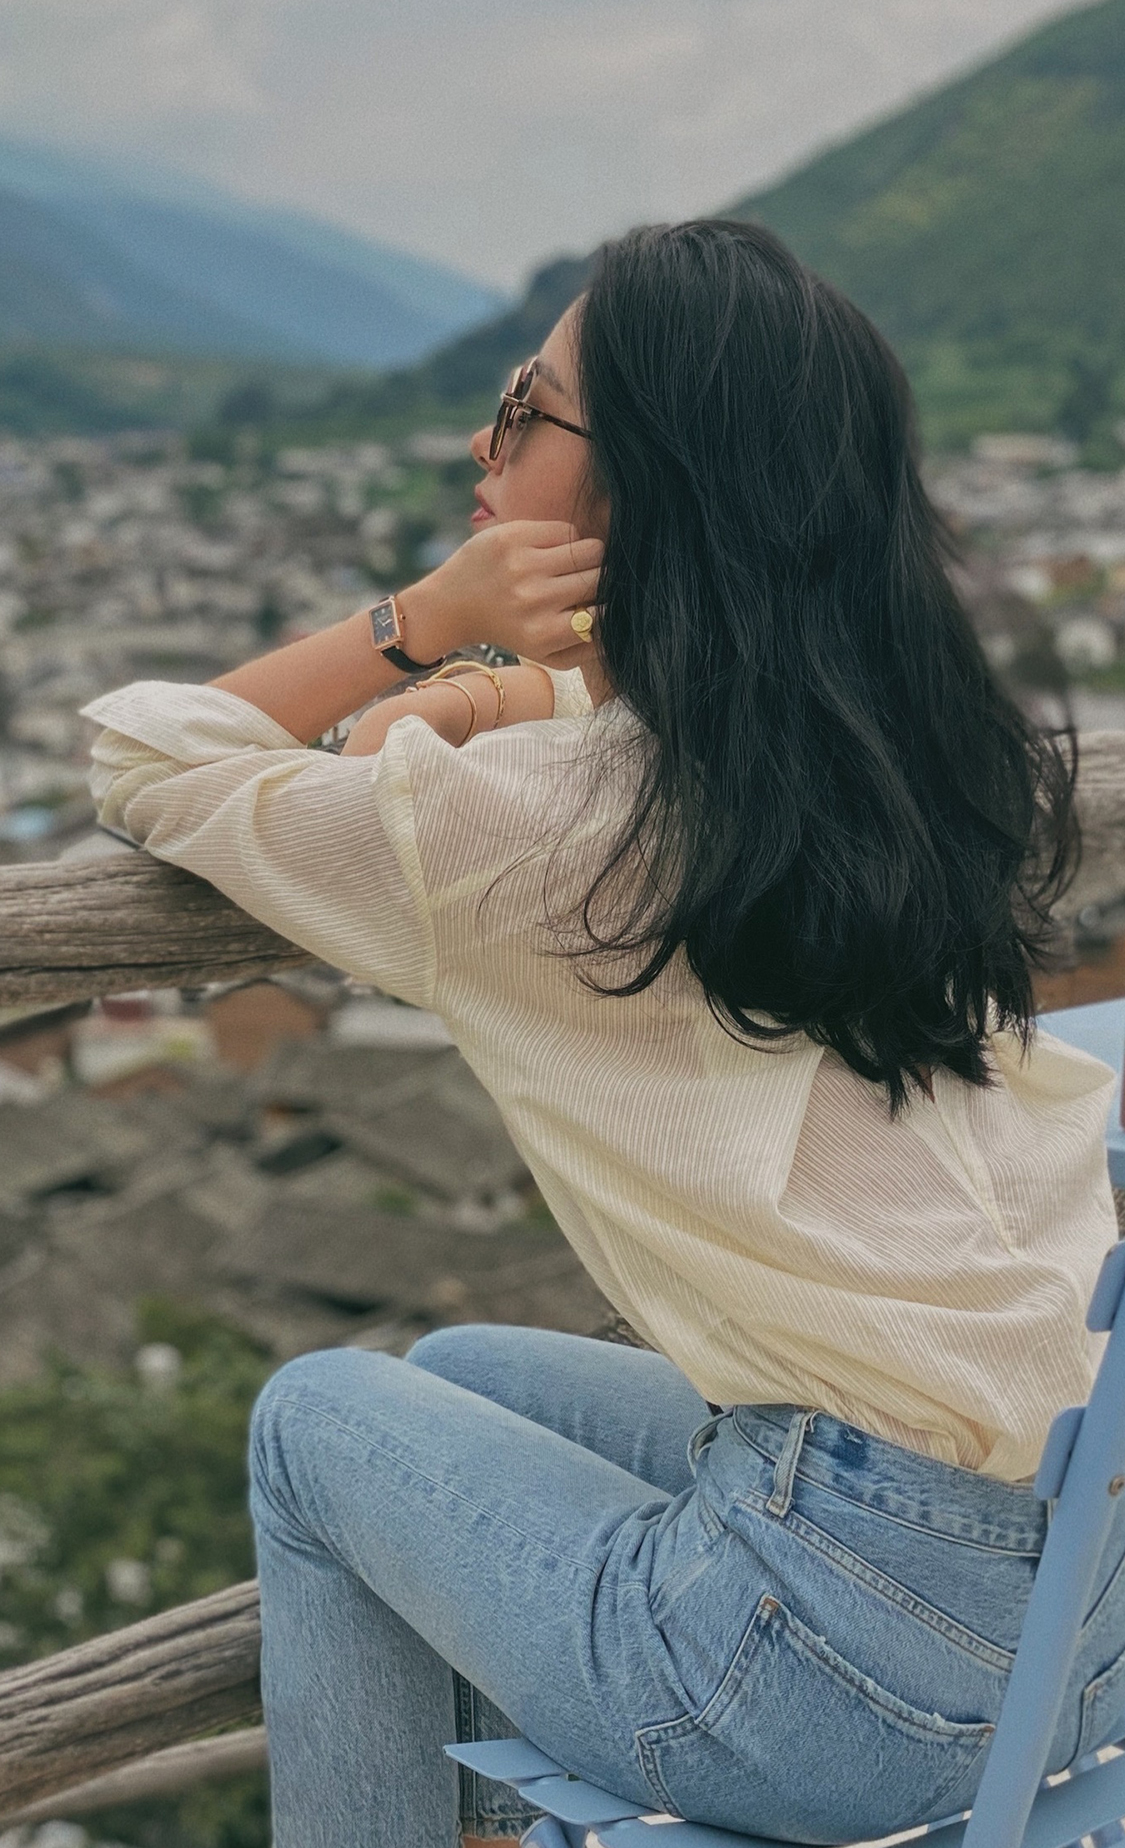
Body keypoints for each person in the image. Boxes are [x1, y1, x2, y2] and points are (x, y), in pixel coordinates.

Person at [83, 217, 1123, 1848]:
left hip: (848, 1689)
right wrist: (520, 690)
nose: (476, 446)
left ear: (647, 479)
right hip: (1076, 1611)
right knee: (458, 1374)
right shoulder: (905, 754)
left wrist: (418, 626)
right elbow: (670, 740)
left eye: (520, 412)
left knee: (312, 1422)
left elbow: (150, 752)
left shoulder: (531, 828)